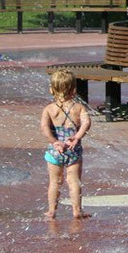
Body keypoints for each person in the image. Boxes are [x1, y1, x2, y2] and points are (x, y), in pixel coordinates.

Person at [40, 69, 92, 220]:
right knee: (73, 181)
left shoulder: (49, 109)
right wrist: (76, 137)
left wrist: (54, 141)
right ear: (74, 89)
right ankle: (77, 211)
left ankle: (51, 211)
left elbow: (44, 128)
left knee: (54, 182)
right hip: (73, 150)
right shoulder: (79, 108)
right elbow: (86, 123)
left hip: (55, 150)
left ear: (51, 89)